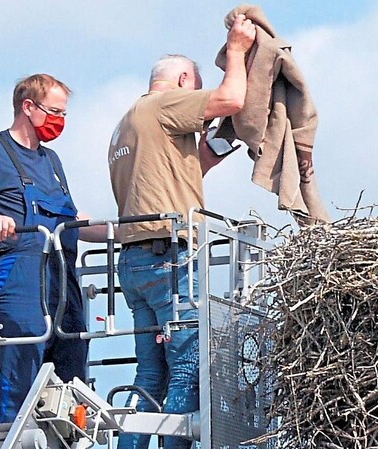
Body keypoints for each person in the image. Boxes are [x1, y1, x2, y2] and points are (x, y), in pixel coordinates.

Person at [107, 14, 256, 449]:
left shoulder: (129, 121)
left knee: (150, 373)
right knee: (189, 369)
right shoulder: (163, 104)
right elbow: (230, 98)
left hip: (135, 261)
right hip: (167, 258)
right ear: (184, 80)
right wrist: (237, 49)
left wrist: (224, 144)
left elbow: (184, 171)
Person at [0, 74, 108, 423]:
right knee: (22, 368)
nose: (60, 120)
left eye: (64, 113)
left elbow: (70, 220)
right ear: (28, 107)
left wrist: (121, 231)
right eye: (54, 111)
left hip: (64, 284)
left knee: (71, 370)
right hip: (20, 283)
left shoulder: (53, 162)